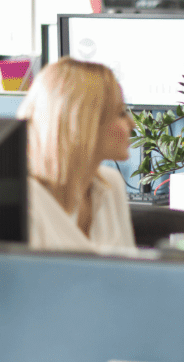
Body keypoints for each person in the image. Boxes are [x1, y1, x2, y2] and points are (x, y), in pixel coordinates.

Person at [17, 57, 137, 254]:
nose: (132, 124)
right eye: (121, 113)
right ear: (83, 122)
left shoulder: (110, 185)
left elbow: (132, 275)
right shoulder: (27, 202)